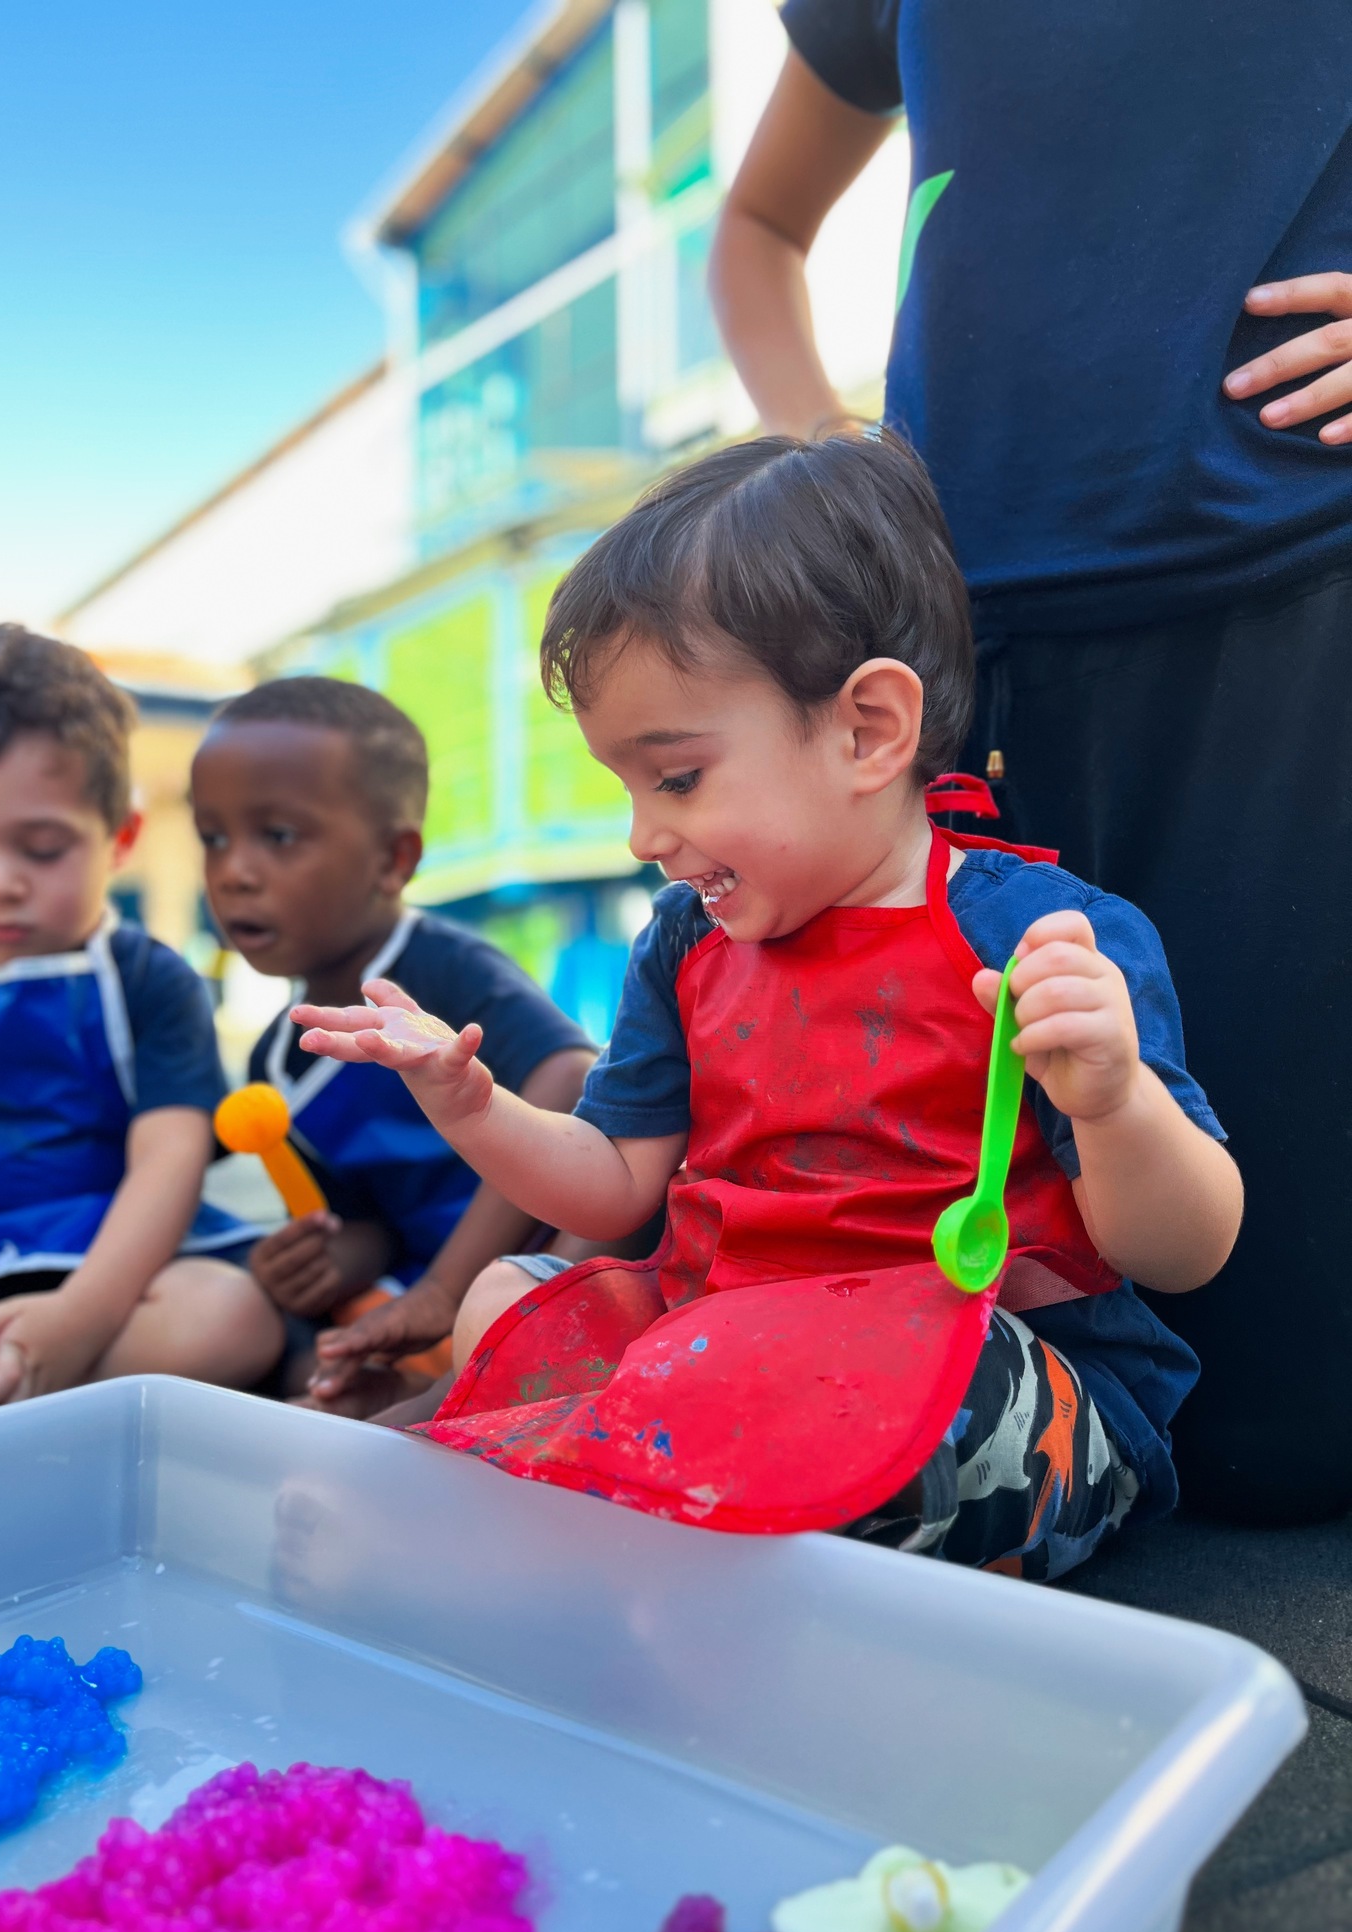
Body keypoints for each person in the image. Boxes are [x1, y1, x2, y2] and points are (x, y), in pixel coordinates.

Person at [292, 435, 1242, 1577]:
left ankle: (567, 1504)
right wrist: (471, 1102)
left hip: (983, 1380)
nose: (644, 836)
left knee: (899, 1402)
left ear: (867, 731)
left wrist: (1115, 1099)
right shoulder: (689, 946)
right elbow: (615, 1183)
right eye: (627, 788)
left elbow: (1187, 1251)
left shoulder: (1037, 938)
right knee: (511, 1295)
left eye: (678, 777)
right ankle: (612, 1503)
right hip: (716, 1353)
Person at [707, 7, 1352, 1523]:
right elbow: (754, 226)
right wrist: (833, 467)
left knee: (1285, 1432)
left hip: (1292, 580)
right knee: (992, 1270)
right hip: (965, 632)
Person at [0, 625, 281, 1444]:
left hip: (110, 1269)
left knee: (230, 1315)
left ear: (119, 837)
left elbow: (170, 1159)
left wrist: (80, 1317)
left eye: (42, 849)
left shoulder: (150, 980)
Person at [190, 677, 597, 1414]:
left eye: (277, 837)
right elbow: (368, 1218)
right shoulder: (281, 1058)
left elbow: (569, 1075)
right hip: (419, 1290)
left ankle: (451, 1396)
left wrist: (447, 1290)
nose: (234, 872)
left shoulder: (444, 968)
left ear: (392, 860)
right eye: (213, 837)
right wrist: (329, 1259)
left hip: (542, 1260)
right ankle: (430, 1396)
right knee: (313, 1373)